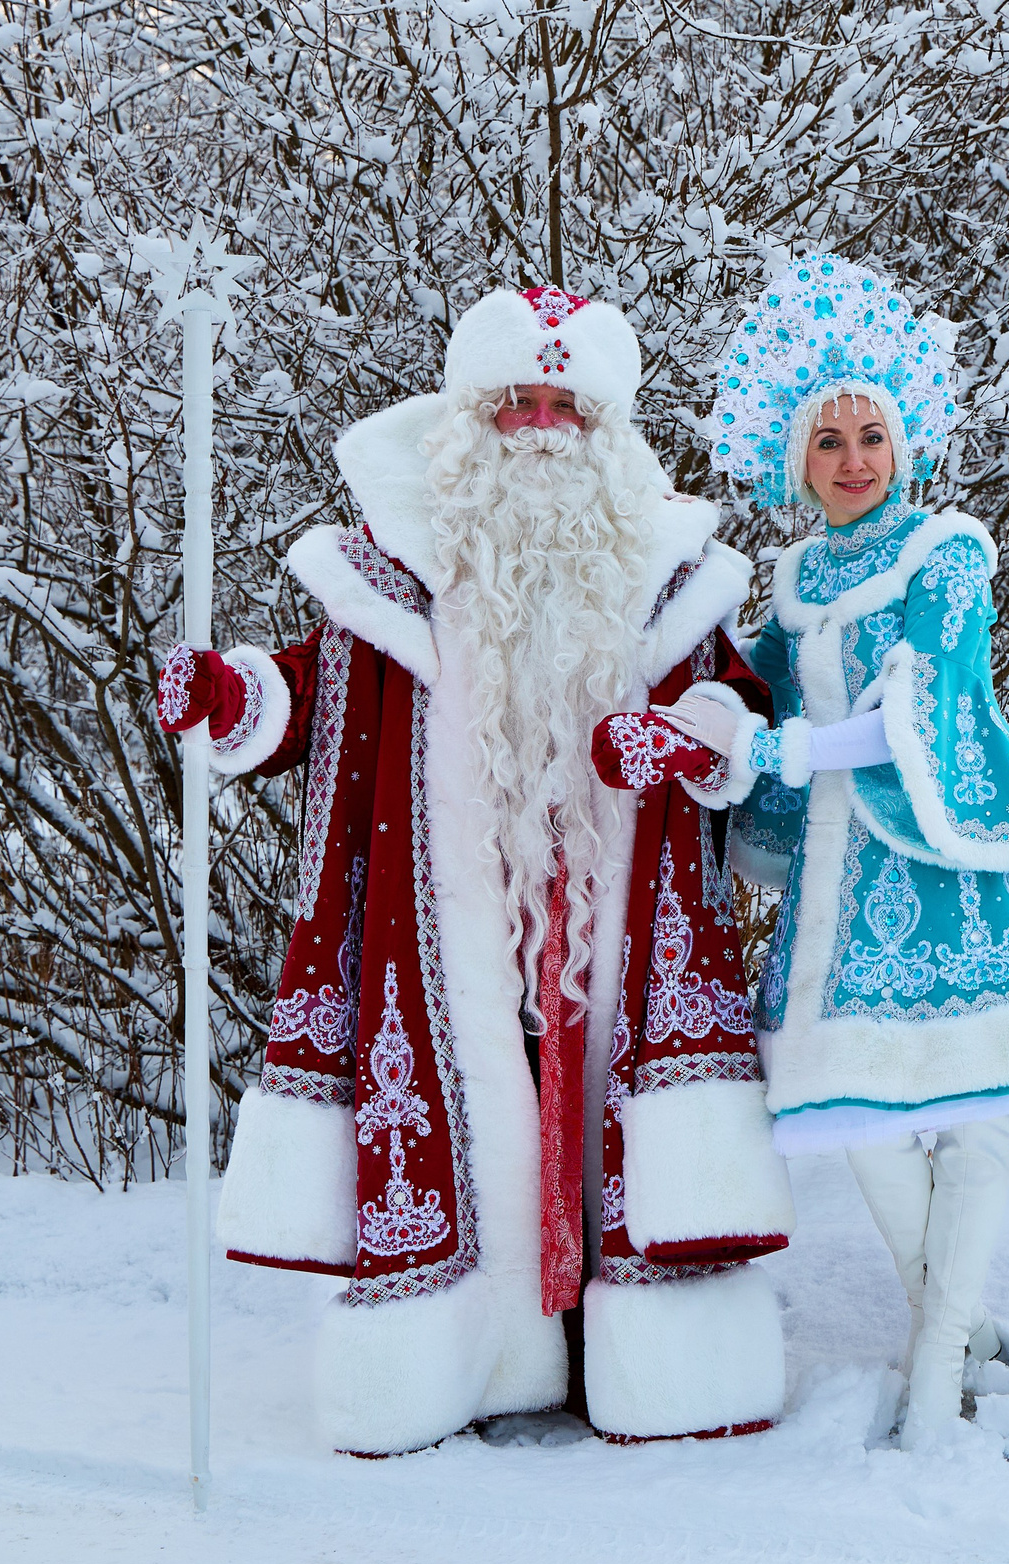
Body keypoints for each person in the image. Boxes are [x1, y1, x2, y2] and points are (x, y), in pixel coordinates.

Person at [156, 285, 793, 1457]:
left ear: (608, 435)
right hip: (452, 915)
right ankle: (471, 1349)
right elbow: (312, 690)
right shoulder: (396, 568)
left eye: (569, 407)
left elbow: (737, 706)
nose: (543, 427)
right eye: (518, 405)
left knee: (602, 1112)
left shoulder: (666, 571)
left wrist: (690, 733)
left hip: (613, 915)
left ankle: (638, 1356)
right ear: (472, 419)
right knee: (466, 1112)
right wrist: (232, 697)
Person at [657, 255, 1009, 1447]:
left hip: (948, 856)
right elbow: (749, 700)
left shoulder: (949, 550)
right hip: (831, 885)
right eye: (828, 441)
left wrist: (792, 752)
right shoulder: (790, 580)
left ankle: (937, 1360)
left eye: (871, 435)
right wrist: (716, 736)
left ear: (904, 444)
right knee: (847, 1113)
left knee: (974, 1115)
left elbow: (932, 698)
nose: (853, 458)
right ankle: (958, 1332)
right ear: (792, 460)